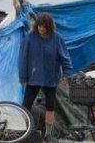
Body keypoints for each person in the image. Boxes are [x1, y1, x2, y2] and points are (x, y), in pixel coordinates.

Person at [19, 12, 73, 142]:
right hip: (34, 76)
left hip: (50, 77)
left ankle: (48, 134)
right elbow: (23, 58)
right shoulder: (30, 37)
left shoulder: (57, 38)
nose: (41, 29)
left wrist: (66, 73)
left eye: (44, 27)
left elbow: (65, 57)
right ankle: (22, 131)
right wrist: (23, 77)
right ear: (36, 26)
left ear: (49, 27)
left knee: (50, 106)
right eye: (39, 27)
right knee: (25, 105)